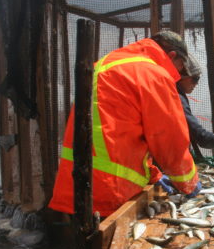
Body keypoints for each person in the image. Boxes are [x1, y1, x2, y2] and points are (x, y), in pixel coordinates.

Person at [49, 31, 201, 217]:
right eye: (180, 66)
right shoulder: (153, 73)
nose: (179, 73)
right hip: (111, 190)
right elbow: (169, 141)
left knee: (81, 244)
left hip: (76, 185)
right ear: (172, 56)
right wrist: (188, 182)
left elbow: (116, 132)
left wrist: (154, 174)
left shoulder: (103, 65)